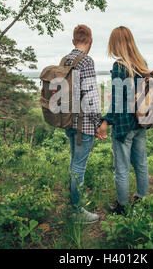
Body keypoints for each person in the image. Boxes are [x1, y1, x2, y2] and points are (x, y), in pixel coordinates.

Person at [96, 26, 151, 215]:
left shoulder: (120, 66)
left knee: (121, 168)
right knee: (141, 163)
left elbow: (117, 99)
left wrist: (105, 121)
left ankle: (122, 206)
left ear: (115, 43)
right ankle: (142, 197)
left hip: (124, 125)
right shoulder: (141, 63)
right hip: (140, 123)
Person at [64, 24, 103, 223]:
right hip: (84, 124)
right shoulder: (86, 61)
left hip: (68, 121)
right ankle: (77, 211)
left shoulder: (65, 59)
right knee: (79, 167)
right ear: (90, 41)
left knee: (74, 164)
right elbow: (90, 96)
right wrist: (99, 122)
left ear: (73, 41)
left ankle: (72, 204)